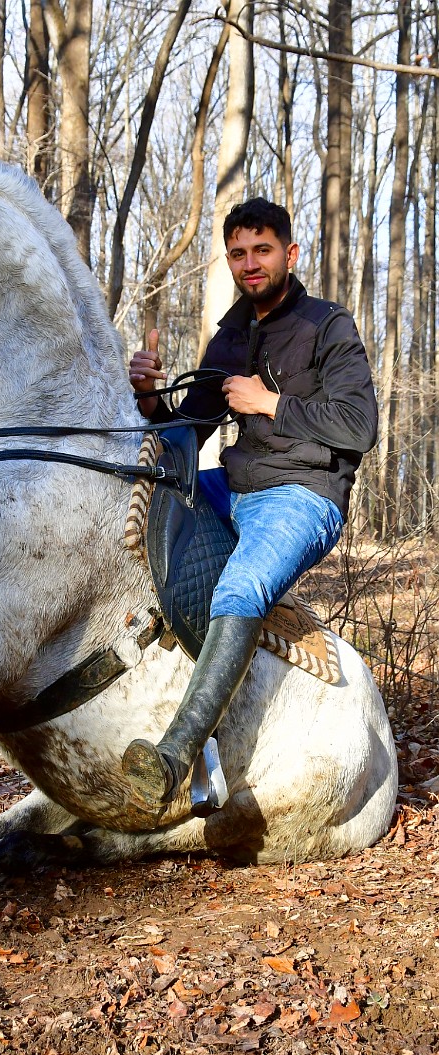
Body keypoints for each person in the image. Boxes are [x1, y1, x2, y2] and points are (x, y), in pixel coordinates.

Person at [123, 197, 378, 811]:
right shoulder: (232, 336)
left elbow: (358, 427)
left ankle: (176, 752)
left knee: (240, 587)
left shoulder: (328, 325)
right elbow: (189, 432)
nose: (249, 263)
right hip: (232, 487)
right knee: (142, 501)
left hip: (301, 496)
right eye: (238, 253)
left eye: (262, 250)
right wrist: (150, 401)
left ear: (289, 254)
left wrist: (270, 403)